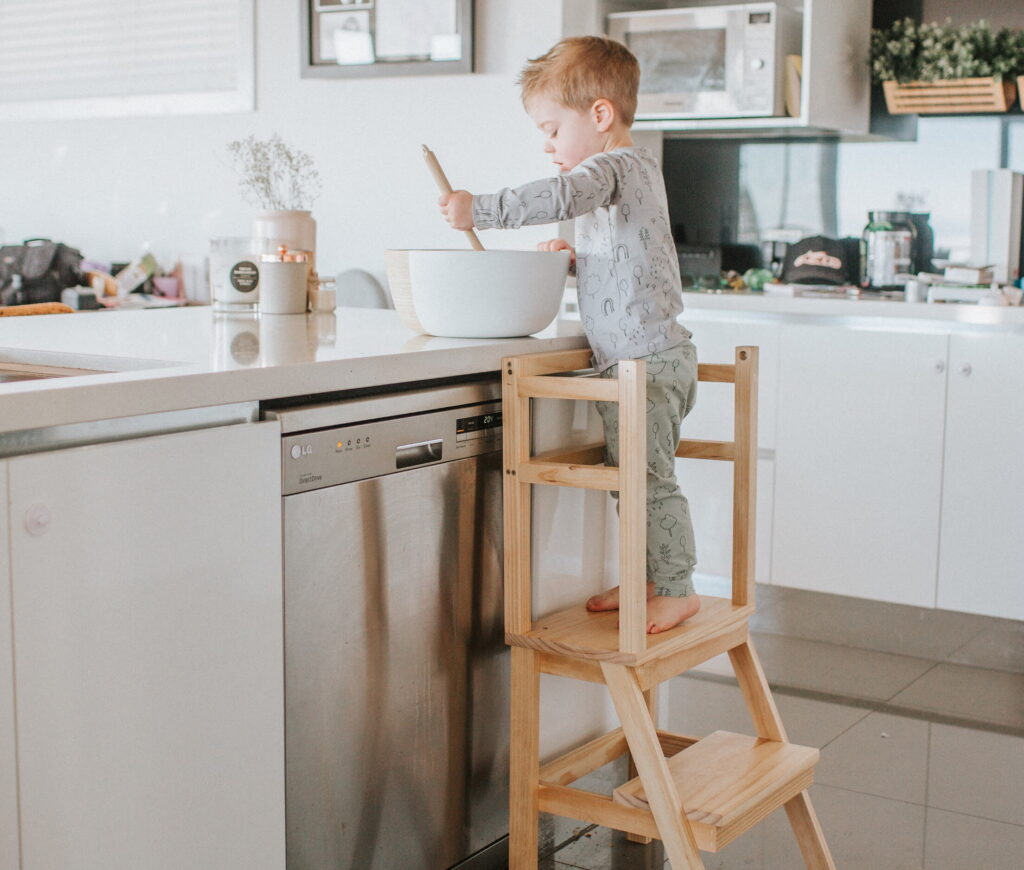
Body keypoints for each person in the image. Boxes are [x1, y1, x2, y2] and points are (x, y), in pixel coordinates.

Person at [438, 36, 699, 634]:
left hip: (646, 363)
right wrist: (580, 260)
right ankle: (651, 577)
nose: (548, 144)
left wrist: (479, 209)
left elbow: (559, 193)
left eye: (553, 128)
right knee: (634, 481)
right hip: (644, 359)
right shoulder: (630, 176)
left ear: (600, 116)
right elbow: (635, 264)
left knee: (647, 482)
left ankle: (678, 587)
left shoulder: (613, 166)